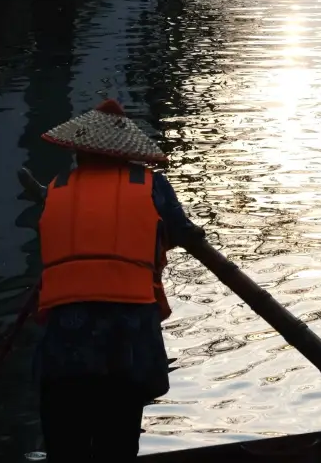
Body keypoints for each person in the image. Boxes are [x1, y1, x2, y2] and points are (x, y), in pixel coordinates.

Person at [24, 99, 204, 463]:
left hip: (65, 345)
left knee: (65, 447)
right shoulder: (151, 186)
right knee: (117, 446)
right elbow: (182, 232)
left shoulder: (57, 190)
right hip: (128, 344)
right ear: (127, 154)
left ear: (79, 151)